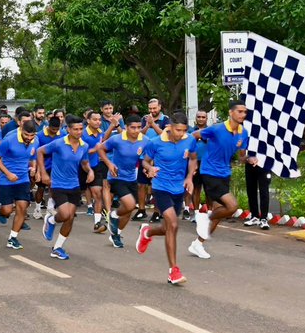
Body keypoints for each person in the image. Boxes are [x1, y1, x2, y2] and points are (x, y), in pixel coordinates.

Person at [135, 115, 197, 285]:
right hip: (161, 187)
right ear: (169, 127)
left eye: (184, 130)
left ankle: (147, 232)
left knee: (168, 227)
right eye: (178, 130)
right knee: (174, 225)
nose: (181, 133)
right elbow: (144, 162)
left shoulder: (189, 140)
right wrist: (150, 168)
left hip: (179, 189)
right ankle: (173, 271)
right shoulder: (155, 142)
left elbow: (193, 158)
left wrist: (190, 177)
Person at [191, 101, 251, 260]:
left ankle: (198, 244)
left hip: (225, 173)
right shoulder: (217, 129)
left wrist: (249, 159)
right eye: (239, 111)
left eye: (245, 112)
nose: (243, 115)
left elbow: (241, 157)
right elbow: (194, 136)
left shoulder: (243, 133)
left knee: (219, 213)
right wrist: (191, 159)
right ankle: (205, 218)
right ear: (231, 113)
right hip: (209, 171)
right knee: (232, 206)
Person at [37, 115, 94, 261]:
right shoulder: (58, 143)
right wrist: (43, 173)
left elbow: (85, 162)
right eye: (75, 129)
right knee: (64, 214)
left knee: (70, 218)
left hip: (74, 185)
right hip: (58, 184)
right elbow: (40, 152)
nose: (79, 132)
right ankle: (51, 220)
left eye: (81, 129)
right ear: (68, 129)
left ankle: (57, 248)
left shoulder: (84, 145)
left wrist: (90, 171)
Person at [98, 117, 149, 248]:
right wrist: (109, 164)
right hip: (116, 177)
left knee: (128, 211)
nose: (136, 130)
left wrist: (149, 168)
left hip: (132, 178)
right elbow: (100, 148)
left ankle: (115, 234)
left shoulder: (144, 140)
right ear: (126, 127)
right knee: (130, 204)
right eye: (133, 127)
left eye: (139, 127)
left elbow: (146, 158)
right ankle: (113, 215)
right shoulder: (117, 139)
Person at [0, 117, 39, 250]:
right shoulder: (9, 139)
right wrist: (8, 173)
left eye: (31, 135)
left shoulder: (36, 140)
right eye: (26, 135)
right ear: (21, 130)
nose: (29, 138)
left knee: (22, 207)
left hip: (23, 179)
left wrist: (34, 168)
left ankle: (12, 238)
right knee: (6, 211)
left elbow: (33, 156)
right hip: (6, 179)